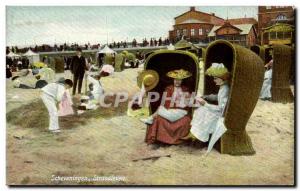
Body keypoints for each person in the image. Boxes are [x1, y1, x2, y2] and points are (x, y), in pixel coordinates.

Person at [185, 63, 230, 153]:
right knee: (200, 110)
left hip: (221, 114)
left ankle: (199, 138)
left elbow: (221, 108)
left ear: (222, 78)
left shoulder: (225, 89)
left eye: (215, 78)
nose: (214, 80)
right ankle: (194, 135)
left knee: (203, 111)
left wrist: (205, 104)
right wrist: (206, 97)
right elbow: (218, 96)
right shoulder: (223, 87)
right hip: (219, 111)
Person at [143, 69, 193, 146]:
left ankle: (150, 118)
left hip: (181, 111)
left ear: (182, 81)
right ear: (173, 80)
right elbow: (166, 102)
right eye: (175, 80)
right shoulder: (169, 88)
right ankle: (152, 120)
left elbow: (187, 103)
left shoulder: (185, 90)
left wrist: (181, 102)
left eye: (179, 80)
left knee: (160, 110)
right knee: (160, 109)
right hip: (171, 110)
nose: (177, 82)